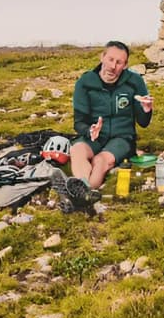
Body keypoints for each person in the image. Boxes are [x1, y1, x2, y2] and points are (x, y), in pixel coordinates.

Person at [51, 40, 153, 211]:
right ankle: (82, 190)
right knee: (77, 150)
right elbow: (79, 122)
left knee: (100, 160)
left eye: (119, 62)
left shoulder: (134, 81)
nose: (113, 66)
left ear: (125, 65)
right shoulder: (85, 82)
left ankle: (81, 193)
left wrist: (146, 109)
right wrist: (89, 130)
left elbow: (143, 122)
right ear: (102, 57)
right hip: (94, 135)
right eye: (110, 59)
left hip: (122, 138)